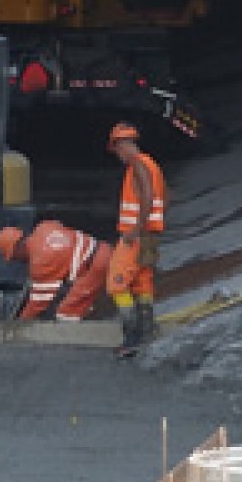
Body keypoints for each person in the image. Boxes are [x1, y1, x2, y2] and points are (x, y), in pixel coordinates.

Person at [106, 119, 167, 356]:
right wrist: (152, 226)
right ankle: (146, 332)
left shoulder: (138, 165)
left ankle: (131, 338)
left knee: (117, 283)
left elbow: (148, 195)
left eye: (117, 149)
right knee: (142, 283)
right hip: (150, 234)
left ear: (123, 144)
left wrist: (137, 229)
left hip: (136, 236)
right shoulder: (153, 165)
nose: (118, 155)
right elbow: (165, 195)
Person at [0, 219, 109, 322]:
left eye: (13, 257)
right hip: (104, 249)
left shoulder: (39, 263)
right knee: (76, 299)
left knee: (66, 314)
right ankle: (91, 311)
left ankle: (78, 341)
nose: (17, 261)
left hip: (95, 267)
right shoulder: (44, 226)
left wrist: (20, 323)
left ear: (16, 248)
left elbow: (39, 303)